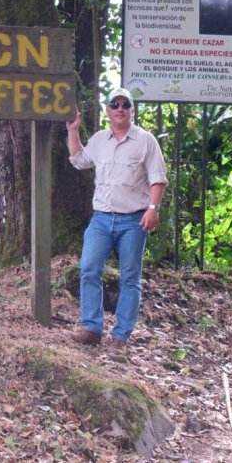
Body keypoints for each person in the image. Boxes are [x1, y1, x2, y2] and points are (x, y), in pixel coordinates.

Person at [66, 87, 167, 351]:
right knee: (88, 268)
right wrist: (73, 130)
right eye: (115, 104)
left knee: (130, 277)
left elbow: (158, 178)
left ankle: (121, 336)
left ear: (132, 110)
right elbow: (78, 160)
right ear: (108, 110)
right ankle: (91, 327)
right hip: (101, 218)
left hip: (133, 220)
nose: (120, 109)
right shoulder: (100, 140)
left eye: (125, 105)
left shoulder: (145, 140)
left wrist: (153, 208)